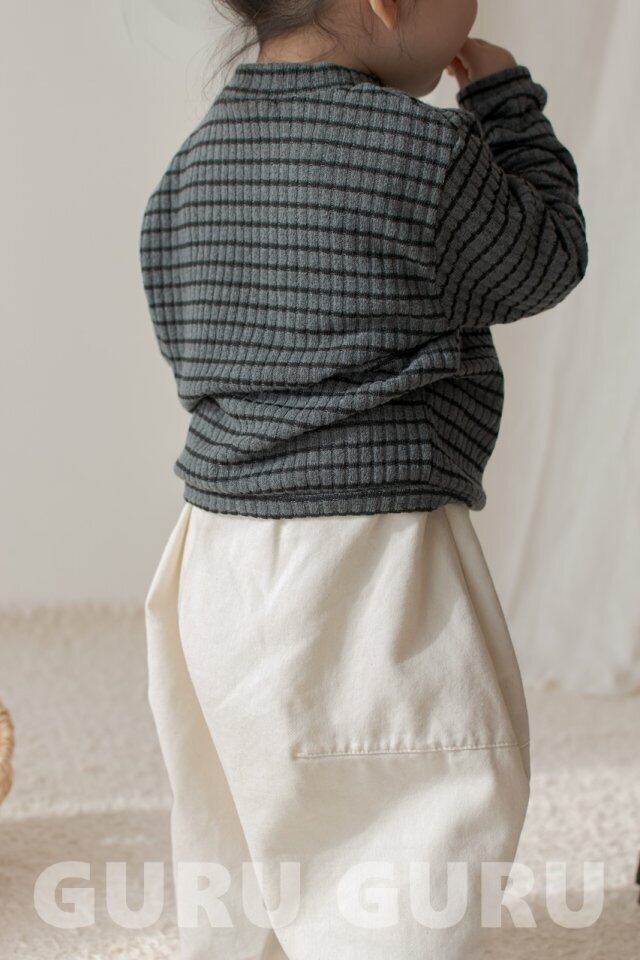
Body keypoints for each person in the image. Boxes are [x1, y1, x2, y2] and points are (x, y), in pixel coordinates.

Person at [141, 1, 588, 958]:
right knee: (417, 780)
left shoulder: (193, 165)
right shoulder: (425, 153)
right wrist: (505, 101)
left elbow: (183, 338)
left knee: (242, 788)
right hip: (373, 545)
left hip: (215, 552)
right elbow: (545, 258)